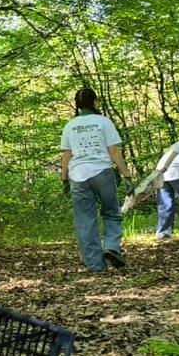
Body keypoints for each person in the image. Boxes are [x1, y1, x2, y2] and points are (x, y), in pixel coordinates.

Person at [59, 87, 132, 272]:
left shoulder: (70, 125)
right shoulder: (103, 122)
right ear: (95, 101)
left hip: (78, 176)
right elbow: (114, 152)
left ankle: (95, 265)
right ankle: (111, 247)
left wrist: (64, 179)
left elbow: (66, 155)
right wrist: (128, 176)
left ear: (77, 104)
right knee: (111, 212)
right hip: (102, 172)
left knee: (85, 220)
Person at [155, 146, 179, 240]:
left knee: (166, 204)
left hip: (161, 172)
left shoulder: (174, 148)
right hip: (177, 172)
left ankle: (163, 233)